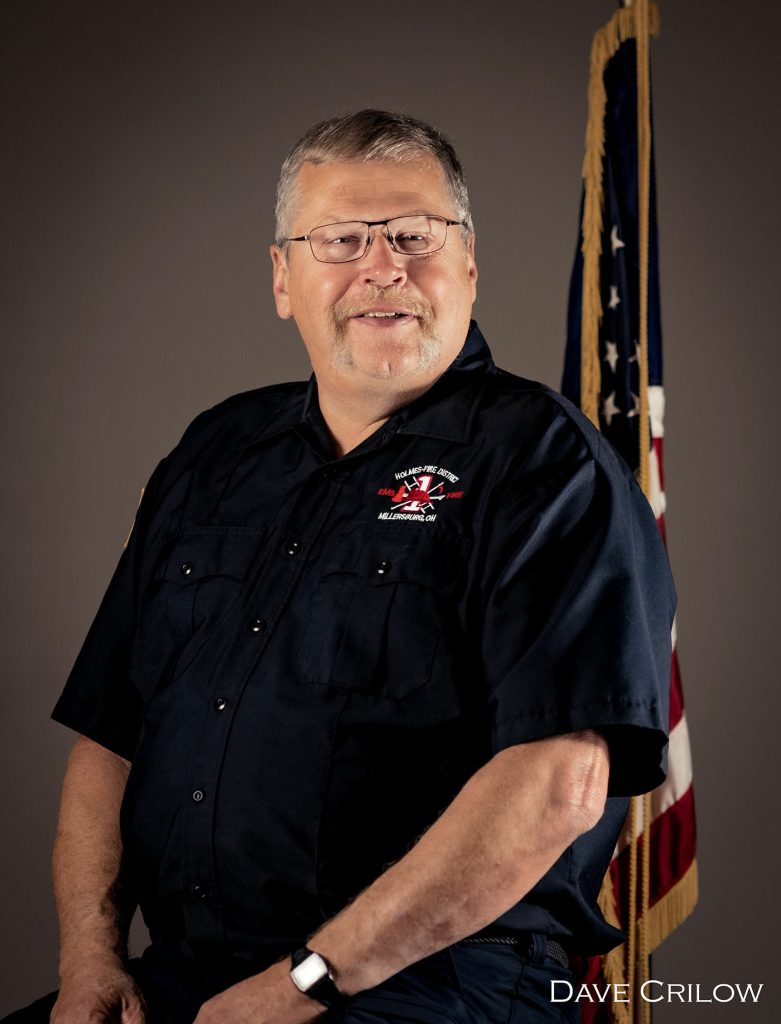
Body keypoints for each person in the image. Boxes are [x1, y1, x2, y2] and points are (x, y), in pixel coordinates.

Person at [5, 109, 674, 1024]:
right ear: (283, 277)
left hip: (437, 984)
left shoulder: (544, 462)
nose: (381, 266)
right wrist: (88, 956)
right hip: (189, 978)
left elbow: (560, 780)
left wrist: (301, 986)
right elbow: (111, 736)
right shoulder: (214, 453)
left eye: (413, 235)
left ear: (468, 264)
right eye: (340, 239)